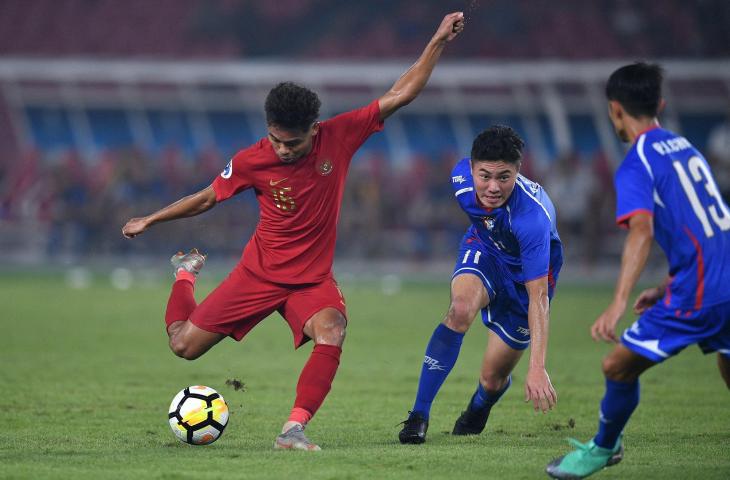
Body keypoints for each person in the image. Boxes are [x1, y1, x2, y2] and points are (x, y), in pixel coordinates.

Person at [121, 12, 465, 451]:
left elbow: (401, 93)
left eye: (293, 143)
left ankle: (293, 429)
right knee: (183, 346)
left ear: (313, 130)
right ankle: (185, 273)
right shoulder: (252, 160)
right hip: (258, 274)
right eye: (276, 140)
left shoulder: (338, 136)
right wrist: (151, 219)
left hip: (312, 279)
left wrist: (437, 40)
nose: (283, 150)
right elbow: (208, 197)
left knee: (333, 329)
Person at [546, 62, 730, 479]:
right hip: (722, 279)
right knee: (727, 358)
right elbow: (711, 228)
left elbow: (641, 231)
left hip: (701, 294)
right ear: (660, 104)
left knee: (617, 367)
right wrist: (666, 286)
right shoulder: (687, 149)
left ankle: (604, 448)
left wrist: (617, 302)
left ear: (614, 110)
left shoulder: (637, 163)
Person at [398, 125, 563, 444]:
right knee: (460, 310)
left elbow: (538, 297)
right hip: (486, 249)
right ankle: (418, 416)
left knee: (492, 378)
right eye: (484, 175)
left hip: (524, 280)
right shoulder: (459, 178)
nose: (492, 187)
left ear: (518, 172)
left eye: (504, 177)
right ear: (471, 168)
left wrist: (537, 366)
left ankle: (479, 408)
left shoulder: (532, 220)